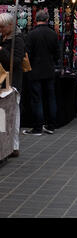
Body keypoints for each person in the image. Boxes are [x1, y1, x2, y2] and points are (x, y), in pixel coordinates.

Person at [23, 10, 60, 135]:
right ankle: (51, 125)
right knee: (51, 97)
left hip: (35, 71)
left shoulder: (31, 34)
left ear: (36, 19)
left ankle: (38, 127)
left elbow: (27, 54)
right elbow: (57, 53)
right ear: (47, 19)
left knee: (37, 99)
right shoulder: (53, 34)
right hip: (49, 69)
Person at [0, 13, 25, 158]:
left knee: (13, 113)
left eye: (2, 27)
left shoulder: (18, 41)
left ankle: (14, 145)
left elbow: (15, 62)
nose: (1, 29)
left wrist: (2, 51)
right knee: (2, 113)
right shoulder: (2, 38)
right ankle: (4, 145)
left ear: (10, 26)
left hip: (13, 81)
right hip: (2, 80)